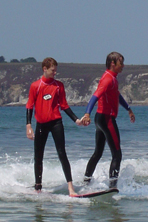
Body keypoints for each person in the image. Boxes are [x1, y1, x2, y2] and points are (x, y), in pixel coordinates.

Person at [26, 57, 84, 196]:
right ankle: (38, 187)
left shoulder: (59, 86)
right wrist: (28, 125)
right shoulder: (36, 86)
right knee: (38, 156)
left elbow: (64, 106)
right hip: (41, 124)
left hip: (56, 123)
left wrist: (76, 120)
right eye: (53, 70)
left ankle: (71, 188)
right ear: (44, 69)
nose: (55, 73)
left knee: (62, 153)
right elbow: (29, 106)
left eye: (56, 70)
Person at [82, 52, 135, 188]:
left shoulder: (112, 78)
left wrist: (128, 109)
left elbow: (117, 95)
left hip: (100, 119)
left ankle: (86, 183)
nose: (123, 65)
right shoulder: (108, 79)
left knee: (98, 153)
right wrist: (87, 113)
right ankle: (113, 187)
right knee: (117, 154)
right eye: (121, 63)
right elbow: (95, 96)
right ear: (113, 63)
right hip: (106, 119)